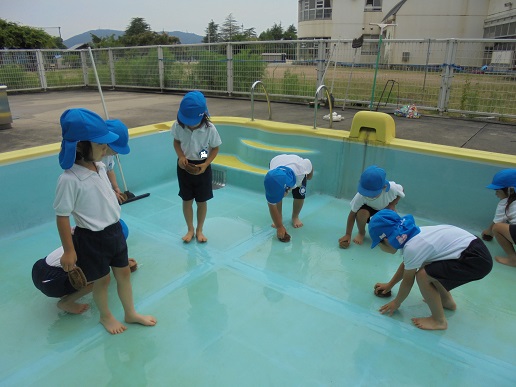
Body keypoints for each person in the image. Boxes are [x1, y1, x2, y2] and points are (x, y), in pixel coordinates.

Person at [54, 108, 156, 334]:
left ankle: (130, 312)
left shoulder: (100, 167)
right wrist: (69, 250)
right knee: (102, 282)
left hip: (115, 232)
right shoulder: (69, 179)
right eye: (101, 145)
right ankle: (105, 316)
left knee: (124, 274)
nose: (105, 149)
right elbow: (62, 216)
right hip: (92, 239)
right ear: (81, 146)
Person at [369, 209, 493, 330]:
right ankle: (447, 301)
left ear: (386, 239)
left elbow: (408, 281)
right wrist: (390, 285)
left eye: (378, 244)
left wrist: (397, 302)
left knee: (423, 275)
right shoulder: (415, 235)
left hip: (475, 259)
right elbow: (407, 265)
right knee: (427, 266)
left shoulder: (412, 247)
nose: (380, 248)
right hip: (475, 250)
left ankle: (439, 321)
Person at [32, 220, 137, 314]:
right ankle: (66, 302)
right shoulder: (97, 247)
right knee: (100, 278)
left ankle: (65, 290)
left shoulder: (85, 234)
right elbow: (102, 263)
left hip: (40, 269)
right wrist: (124, 266)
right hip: (51, 279)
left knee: (90, 269)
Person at [172, 91, 222, 243]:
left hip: (202, 165)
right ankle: (190, 229)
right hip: (184, 166)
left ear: (202, 115)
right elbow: (176, 142)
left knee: (201, 201)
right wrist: (181, 156)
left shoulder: (210, 129)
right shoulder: (178, 126)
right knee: (186, 200)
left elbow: (215, 148)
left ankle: (200, 229)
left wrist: (206, 164)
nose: (188, 123)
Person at [339, 165, 404, 248]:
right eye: (366, 192)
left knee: (392, 217)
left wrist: (392, 204)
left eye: (372, 194)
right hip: (369, 208)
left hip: (385, 207)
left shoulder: (392, 188)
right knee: (361, 213)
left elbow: (402, 190)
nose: (368, 196)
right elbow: (352, 214)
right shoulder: (361, 196)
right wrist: (348, 234)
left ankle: (387, 234)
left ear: (384, 187)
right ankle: (361, 232)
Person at [264, 154, 313, 242]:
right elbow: (271, 204)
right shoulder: (271, 178)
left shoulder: (301, 170)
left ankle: (295, 216)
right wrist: (279, 226)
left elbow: (308, 162)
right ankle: (279, 216)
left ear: (287, 190)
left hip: (297, 168)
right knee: (276, 197)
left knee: (299, 196)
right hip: (277, 162)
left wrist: (309, 175)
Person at [481, 168, 516, 266]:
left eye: (498, 191)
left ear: (510, 191)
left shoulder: (505, 203)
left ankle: (513, 259)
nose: (496, 194)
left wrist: (488, 232)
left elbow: (496, 224)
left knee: (497, 228)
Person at [102, 119, 131, 204]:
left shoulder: (109, 154)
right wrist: (111, 192)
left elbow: (110, 170)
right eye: (115, 149)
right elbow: (97, 181)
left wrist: (116, 188)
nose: (117, 153)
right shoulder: (95, 159)